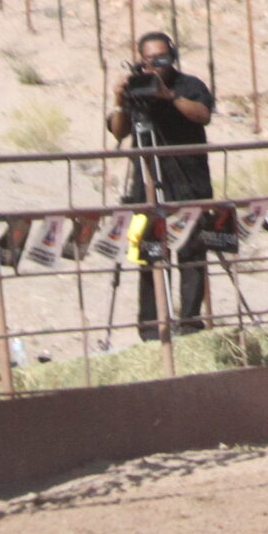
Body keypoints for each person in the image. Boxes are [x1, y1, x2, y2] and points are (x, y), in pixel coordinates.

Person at [106, 30, 216, 340]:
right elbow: (118, 131)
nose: (156, 66)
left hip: (189, 183)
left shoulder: (189, 85)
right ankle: (151, 330)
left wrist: (169, 96)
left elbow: (202, 115)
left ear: (173, 57)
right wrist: (120, 101)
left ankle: (190, 324)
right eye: (149, 60)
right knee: (149, 255)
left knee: (192, 253)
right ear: (140, 61)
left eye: (162, 59)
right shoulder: (137, 87)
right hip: (146, 184)